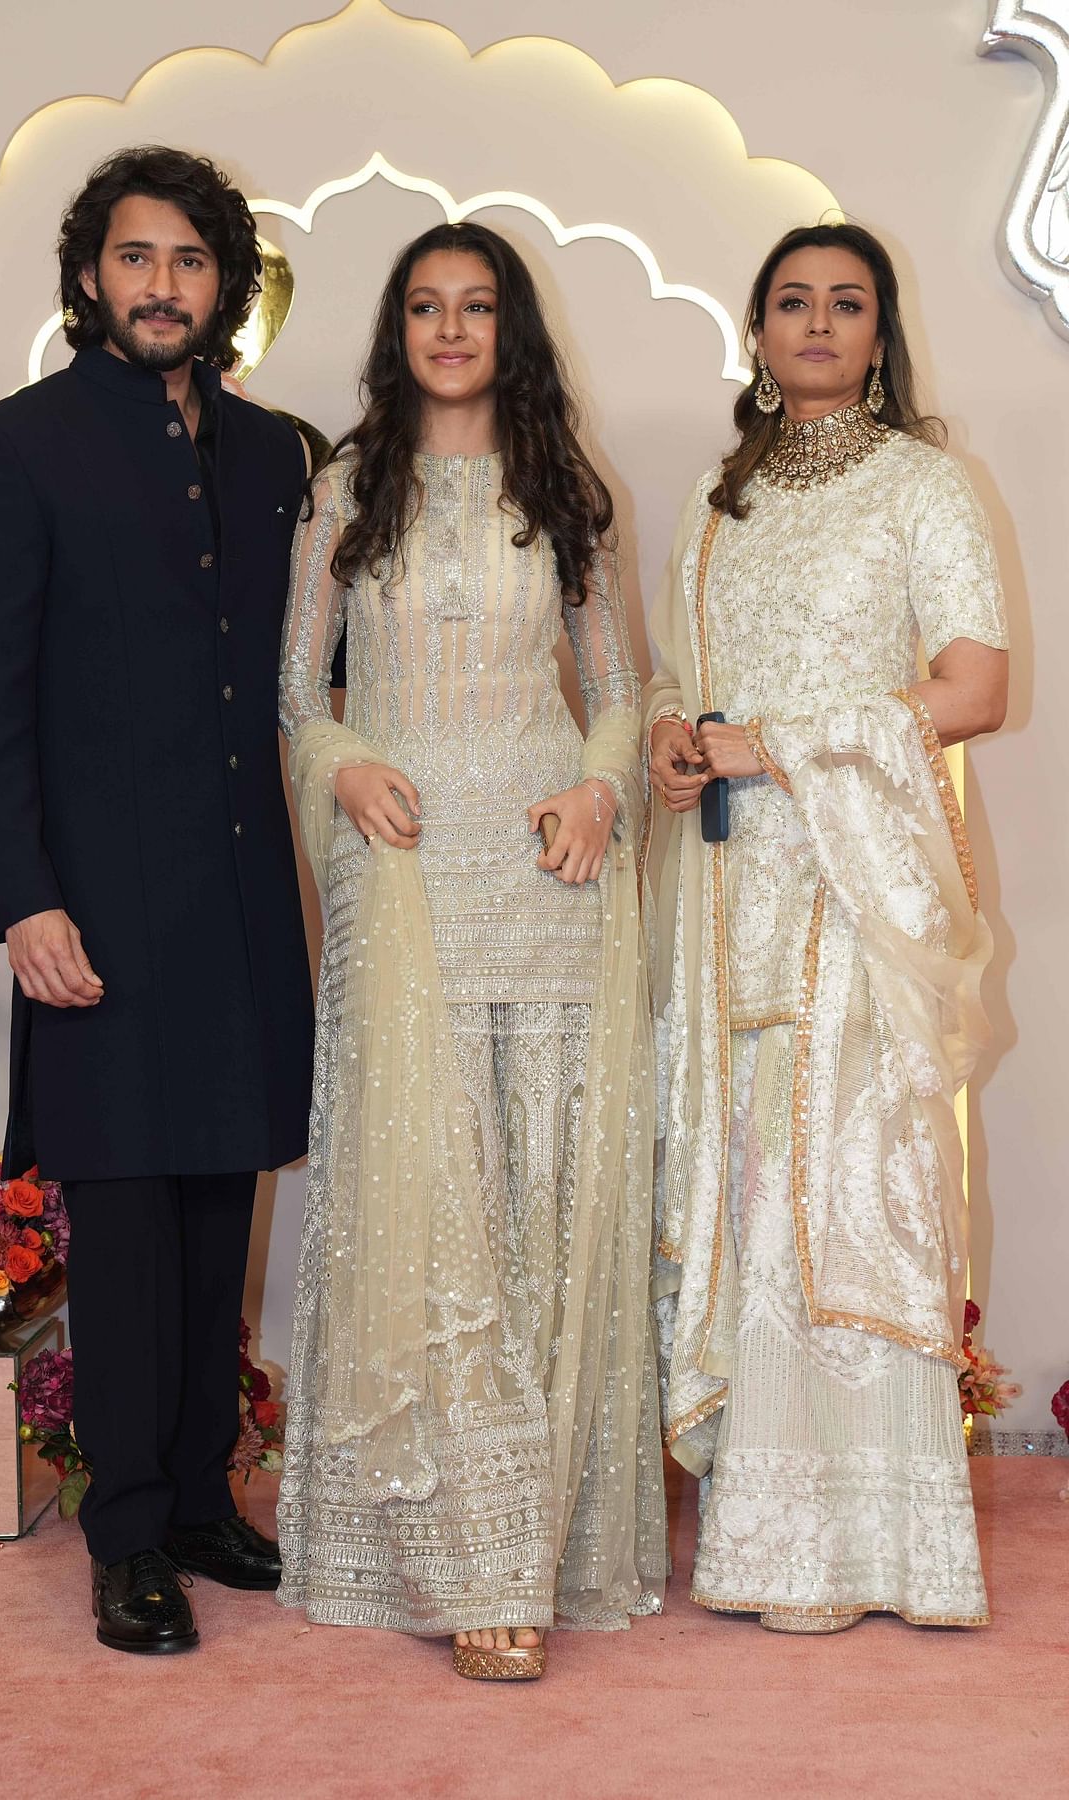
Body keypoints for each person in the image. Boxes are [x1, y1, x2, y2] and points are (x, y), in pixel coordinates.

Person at [0, 146, 317, 1654]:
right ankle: (129, 1534)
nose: (164, 286)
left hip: (240, 902)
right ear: (93, 274)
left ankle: (210, 1503)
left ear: (229, 286)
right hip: (92, 908)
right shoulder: (12, 446)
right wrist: (22, 899)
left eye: (192, 262)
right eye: (137, 258)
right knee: (123, 1219)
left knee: (220, 1206)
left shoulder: (279, 452)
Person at [277, 221, 666, 1681]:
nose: (452, 329)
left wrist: (598, 786)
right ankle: (457, 1550)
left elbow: (622, 690)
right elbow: (295, 689)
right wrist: (341, 763)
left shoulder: (569, 491)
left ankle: (539, 1540)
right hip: (404, 858)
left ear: (513, 328)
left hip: (544, 862)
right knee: (426, 1199)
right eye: (427, 307)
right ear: (398, 330)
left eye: (477, 306)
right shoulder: (340, 491)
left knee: (537, 1197)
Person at [643, 222, 1008, 1631]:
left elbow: (971, 690)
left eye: (845, 303)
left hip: (863, 885)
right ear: (756, 328)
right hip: (731, 885)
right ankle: (766, 1528)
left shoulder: (928, 483)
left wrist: (774, 744)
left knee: (852, 1187)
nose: (817, 323)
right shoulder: (716, 498)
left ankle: (879, 1548)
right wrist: (680, 741)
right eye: (792, 301)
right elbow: (690, 677)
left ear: (878, 330)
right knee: (746, 1183)